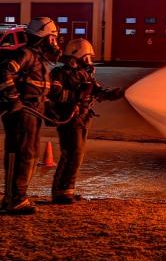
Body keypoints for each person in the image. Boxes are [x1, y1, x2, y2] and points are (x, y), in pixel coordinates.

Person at [0, 17, 61, 214]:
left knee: (27, 154)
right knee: (21, 154)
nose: (55, 43)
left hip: (31, 112)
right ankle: (15, 198)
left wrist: (48, 108)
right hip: (22, 114)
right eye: (53, 38)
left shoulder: (36, 59)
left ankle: (16, 196)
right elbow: (5, 72)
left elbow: (35, 90)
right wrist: (13, 100)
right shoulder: (26, 54)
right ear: (46, 38)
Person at [46, 38, 123, 204]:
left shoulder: (84, 74)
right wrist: (78, 95)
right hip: (68, 118)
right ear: (77, 56)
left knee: (77, 154)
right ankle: (59, 192)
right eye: (87, 57)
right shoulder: (59, 73)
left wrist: (113, 93)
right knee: (71, 153)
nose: (89, 61)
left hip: (82, 118)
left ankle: (68, 190)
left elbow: (98, 91)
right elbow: (55, 94)